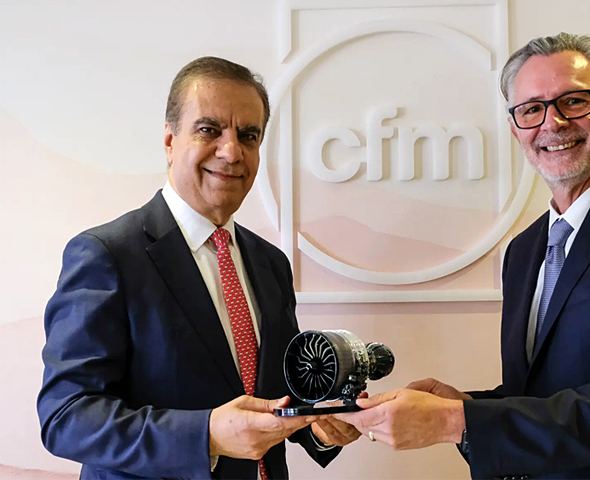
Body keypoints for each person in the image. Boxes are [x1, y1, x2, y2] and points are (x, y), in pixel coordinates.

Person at [340, 33, 590, 479]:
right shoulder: (524, 249)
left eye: (573, 102)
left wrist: (453, 421)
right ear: (516, 129)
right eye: (531, 109)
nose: (552, 123)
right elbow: (542, 395)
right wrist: (466, 405)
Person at [37, 57, 360, 480]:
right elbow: (66, 417)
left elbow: (276, 395)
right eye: (209, 130)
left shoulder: (271, 263)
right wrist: (205, 435)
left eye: (248, 136)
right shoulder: (106, 255)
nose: (231, 151)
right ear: (170, 141)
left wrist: (321, 425)